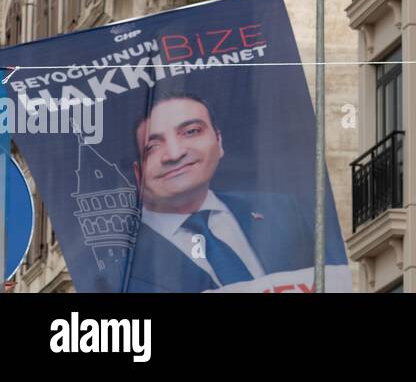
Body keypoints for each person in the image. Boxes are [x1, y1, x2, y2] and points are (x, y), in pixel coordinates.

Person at [124, 90, 320, 292]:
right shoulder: (120, 259)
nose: (174, 154)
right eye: (152, 146)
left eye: (191, 131)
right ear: (138, 174)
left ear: (219, 142)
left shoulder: (284, 211)